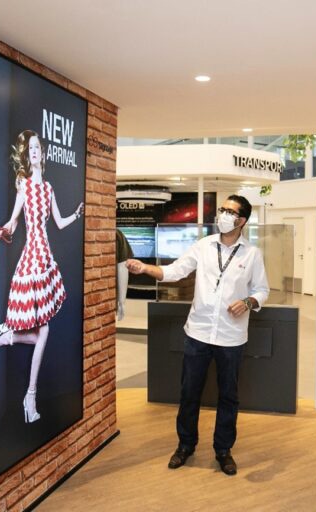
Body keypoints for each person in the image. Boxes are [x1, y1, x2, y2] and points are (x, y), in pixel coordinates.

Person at [127, 196, 269, 476]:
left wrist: (249, 302)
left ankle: (223, 450)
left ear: (242, 221)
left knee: (229, 396)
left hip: (231, 338)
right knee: (189, 393)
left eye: (230, 211)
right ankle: (185, 446)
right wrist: (144, 268)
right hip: (198, 333)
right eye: (223, 209)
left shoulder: (252, 254)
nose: (223, 215)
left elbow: (262, 289)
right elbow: (174, 271)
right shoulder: (204, 246)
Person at [0, 129, 84, 424]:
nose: (35, 151)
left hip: (46, 256)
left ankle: (10, 340)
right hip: (32, 258)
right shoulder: (24, 185)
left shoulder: (49, 187)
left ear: (44, 152)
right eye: (31, 149)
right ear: (27, 156)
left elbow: (60, 222)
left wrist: (77, 214)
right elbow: (14, 223)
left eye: (38, 147)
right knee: (44, 331)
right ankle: (29, 395)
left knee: (44, 331)